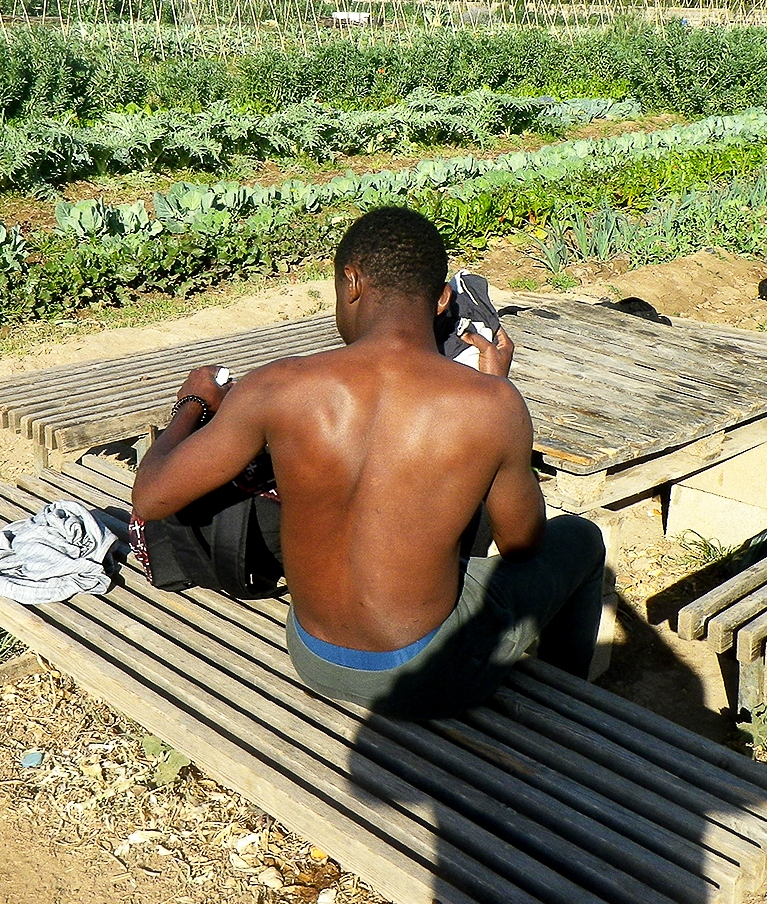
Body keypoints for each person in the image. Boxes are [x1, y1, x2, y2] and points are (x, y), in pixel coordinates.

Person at [130, 206, 605, 718]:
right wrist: (499, 386)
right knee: (580, 538)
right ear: (443, 299)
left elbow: (149, 497)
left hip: (313, 657)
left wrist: (193, 403)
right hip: (428, 678)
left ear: (350, 282)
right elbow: (521, 544)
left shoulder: (275, 386)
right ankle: (568, 704)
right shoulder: (490, 404)